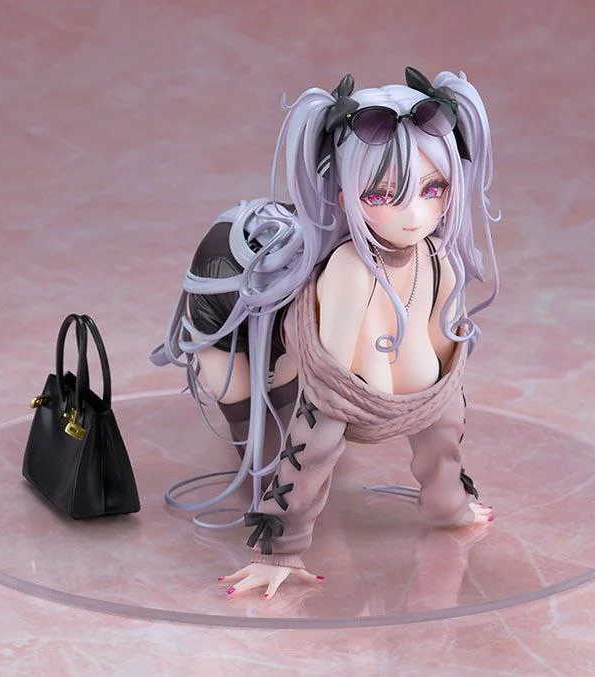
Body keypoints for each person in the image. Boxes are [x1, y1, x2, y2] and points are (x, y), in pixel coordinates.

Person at [151, 67, 500, 599]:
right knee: (254, 428)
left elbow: (442, 402)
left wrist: (448, 502)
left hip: (351, 372)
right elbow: (325, 406)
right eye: (381, 195)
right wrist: (280, 547)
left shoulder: (439, 265)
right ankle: (256, 439)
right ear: (341, 195)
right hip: (228, 295)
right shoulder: (350, 273)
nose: (414, 214)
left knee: (292, 411)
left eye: (434, 189)